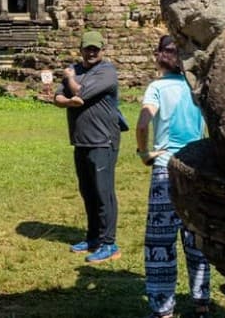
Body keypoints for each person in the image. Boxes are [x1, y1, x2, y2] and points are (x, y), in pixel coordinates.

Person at [135, 35, 211, 318]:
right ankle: (202, 301)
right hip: (195, 167)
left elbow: (143, 124)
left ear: (158, 56)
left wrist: (144, 153)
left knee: (161, 240)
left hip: (166, 167)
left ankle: (163, 307)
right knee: (196, 238)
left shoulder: (157, 87)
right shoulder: (196, 87)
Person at [52, 29, 124, 264]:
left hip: (103, 140)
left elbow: (81, 93)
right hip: (81, 140)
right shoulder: (75, 69)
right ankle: (93, 237)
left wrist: (70, 81)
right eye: (87, 49)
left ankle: (109, 243)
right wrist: (68, 100)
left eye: (95, 49)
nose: (91, 53)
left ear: (102, 50)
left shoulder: (107, 71)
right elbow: (57, 97)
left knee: (104, 192)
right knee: (88, 192)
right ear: (81, 49)